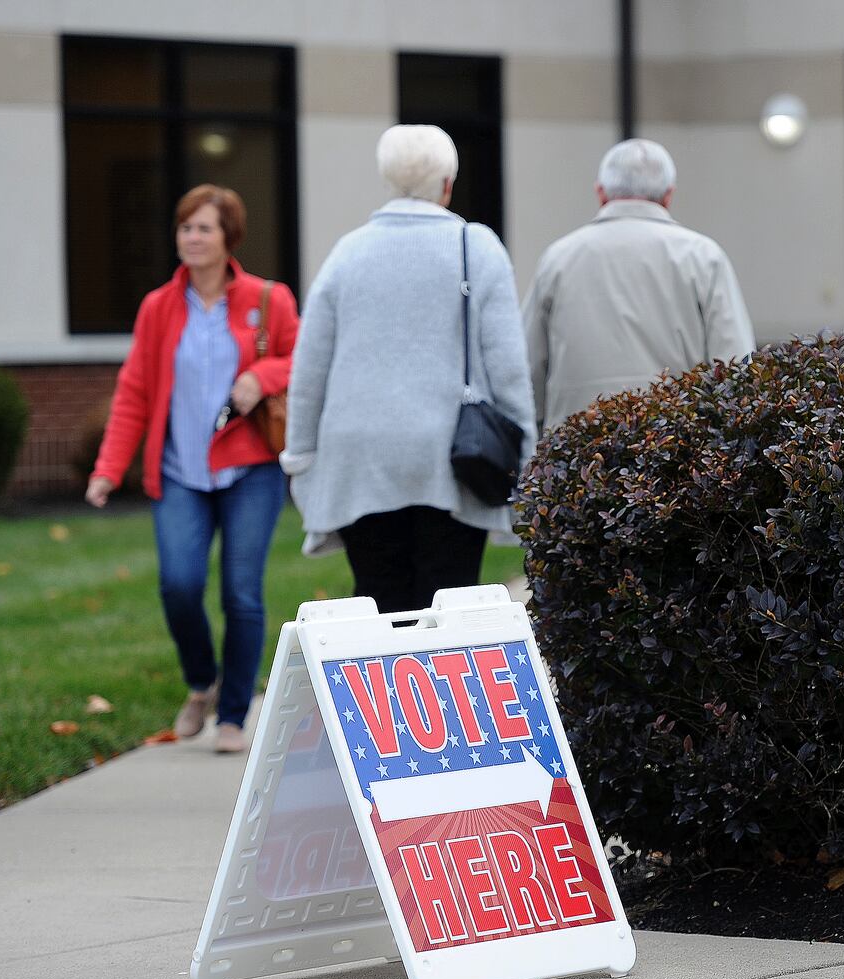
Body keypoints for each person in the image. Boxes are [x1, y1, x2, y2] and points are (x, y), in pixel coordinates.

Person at [281, 124, 535, 614]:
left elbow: (310, 367)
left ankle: (381, 692)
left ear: (388, 178)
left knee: (379, 601)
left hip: (359, 457)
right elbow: (508, 367)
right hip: (453, 458)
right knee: (449, 606)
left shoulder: (346, 254)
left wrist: (300, 456)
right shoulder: (477, 247)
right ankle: (436, 693)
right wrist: (525, 450)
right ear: (447, 183)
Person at [86, 184, 298, 753]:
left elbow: (301, 357)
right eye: (185, 227)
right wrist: (109, 468)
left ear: (229, 235)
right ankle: (202, 682)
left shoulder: (267, 299)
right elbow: (133, 391)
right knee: (179, 586)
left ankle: (232, 715)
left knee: (242, 595)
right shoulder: (159, 306)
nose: (192, 237)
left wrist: (264, 377)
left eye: (204, 228)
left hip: (250, 469)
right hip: (180, 470)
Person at [522, 138, 756, 429]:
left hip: (573, 452)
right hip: (673, 451)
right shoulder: (704, 258)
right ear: (669, 196)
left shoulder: (557, 259)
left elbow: (527, 369)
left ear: (600, 193)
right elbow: (734, 368)